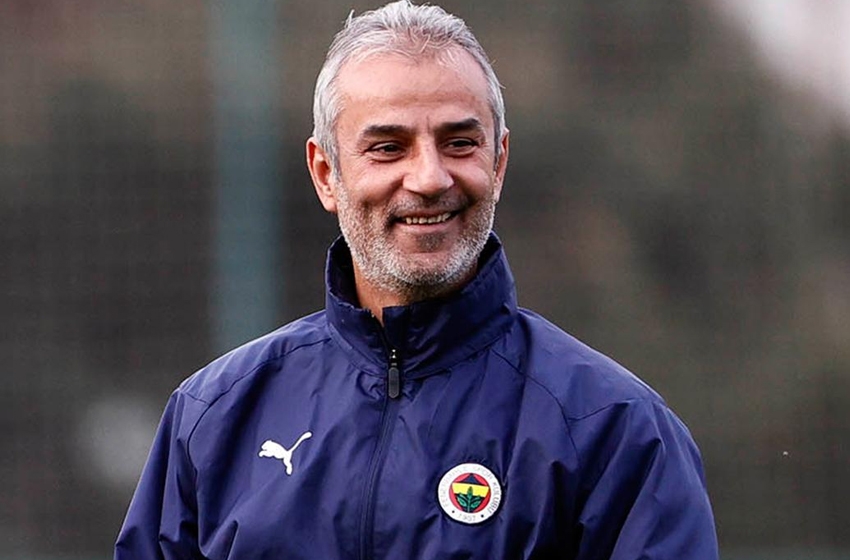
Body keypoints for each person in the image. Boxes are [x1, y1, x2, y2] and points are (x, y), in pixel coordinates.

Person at [115, 1, 719, 558]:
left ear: (498, 162)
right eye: (388, 147)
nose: (429, 177)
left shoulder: (614, 430)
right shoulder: (213, 418)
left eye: (459, 142)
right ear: (326, 174)